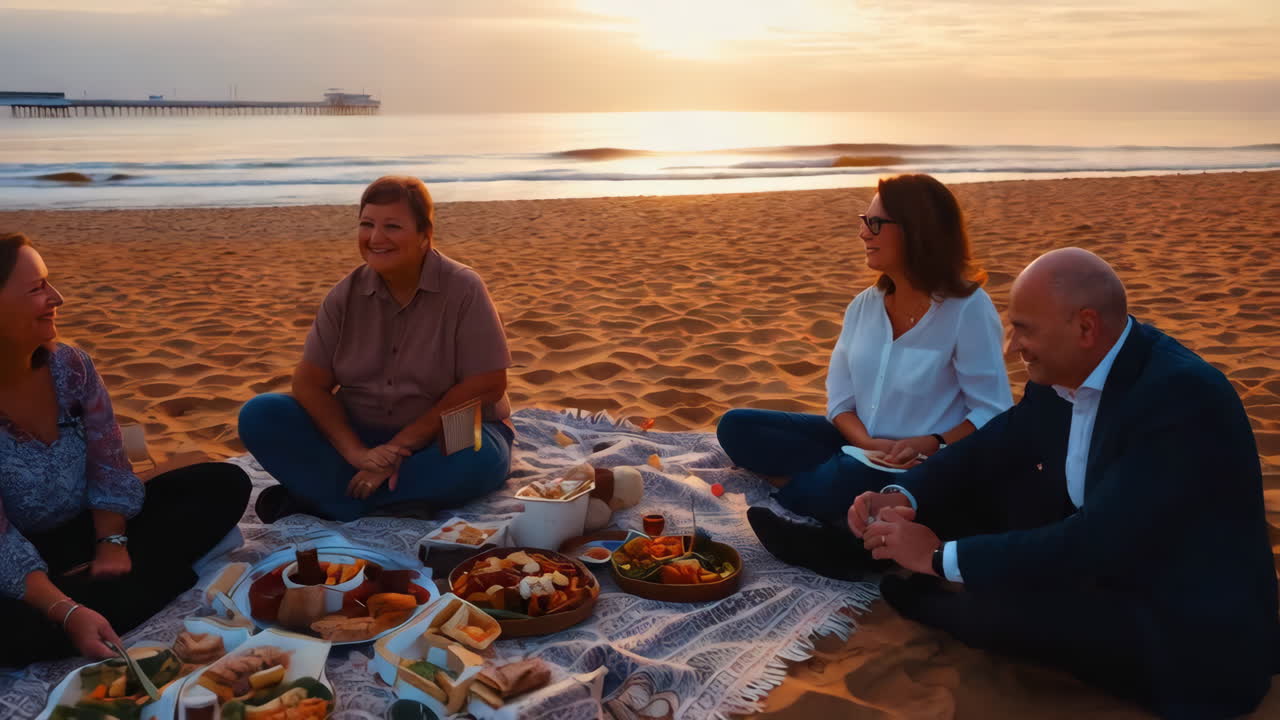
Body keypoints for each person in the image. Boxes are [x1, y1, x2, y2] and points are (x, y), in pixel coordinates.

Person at [846, 248, 1279, 718]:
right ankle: (881, 550)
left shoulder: (1180, 399)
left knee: (998, 618)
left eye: (1025, 330)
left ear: (1086, 327)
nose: (1013, 346)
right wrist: (903, 492)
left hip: (1184, 629)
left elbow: (1093, 543)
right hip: (1106, 557)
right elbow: (999, 442)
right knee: (978, 493)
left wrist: (935, 556)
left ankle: (920, 591)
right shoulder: (1065, 370)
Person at [716, 175, 1012, 566]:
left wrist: (929, 443)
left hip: (925, 462)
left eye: (875, 223)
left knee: (847, 477)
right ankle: (831, 502)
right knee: (737, 426)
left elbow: (993, 411)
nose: (863, 233)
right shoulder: (863, 307)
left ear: (916, 228)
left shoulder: (967, 308)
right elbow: (840, 402)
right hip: (859, 443)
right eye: (863, 221)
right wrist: (869, 444)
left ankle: (822, 510)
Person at [0, 232, 251, 667]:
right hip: (18, 555)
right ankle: (102, 601)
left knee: (223, 483)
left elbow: (110, 463)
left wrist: (111, 542)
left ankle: (105, 592)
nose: (57, 297)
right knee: (11, 631)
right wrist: (67, 611)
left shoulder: (71, 367)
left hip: (92, 528)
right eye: (38, 288)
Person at [239, 176, 514, 522]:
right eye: (367, 224)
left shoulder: (464, 288)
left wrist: (401, 447)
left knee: (477, 457)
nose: (375, 238)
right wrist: (357, 454)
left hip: (444, 430)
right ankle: (384, 497)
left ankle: (335, 499)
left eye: (392, 226)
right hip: (361, 432)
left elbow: (487, 384)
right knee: (260, 414)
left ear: (425, 234)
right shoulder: (344, 295)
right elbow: (309, 384)